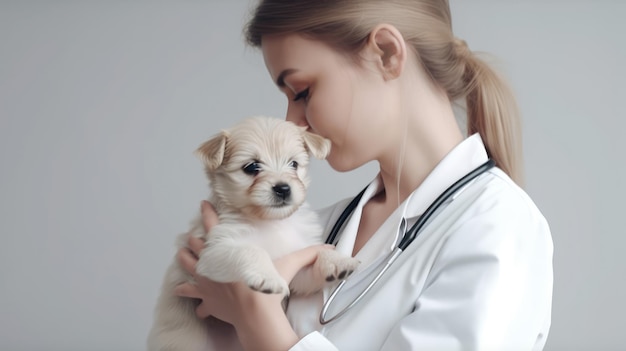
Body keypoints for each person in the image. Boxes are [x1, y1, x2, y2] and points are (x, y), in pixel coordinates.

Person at [173, 0, 554, 350]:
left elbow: (263, 320)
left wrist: (260, 323)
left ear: (386, 53)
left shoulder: (497, 226)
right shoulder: (318, 226)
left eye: (302, 92)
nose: (293, 122)